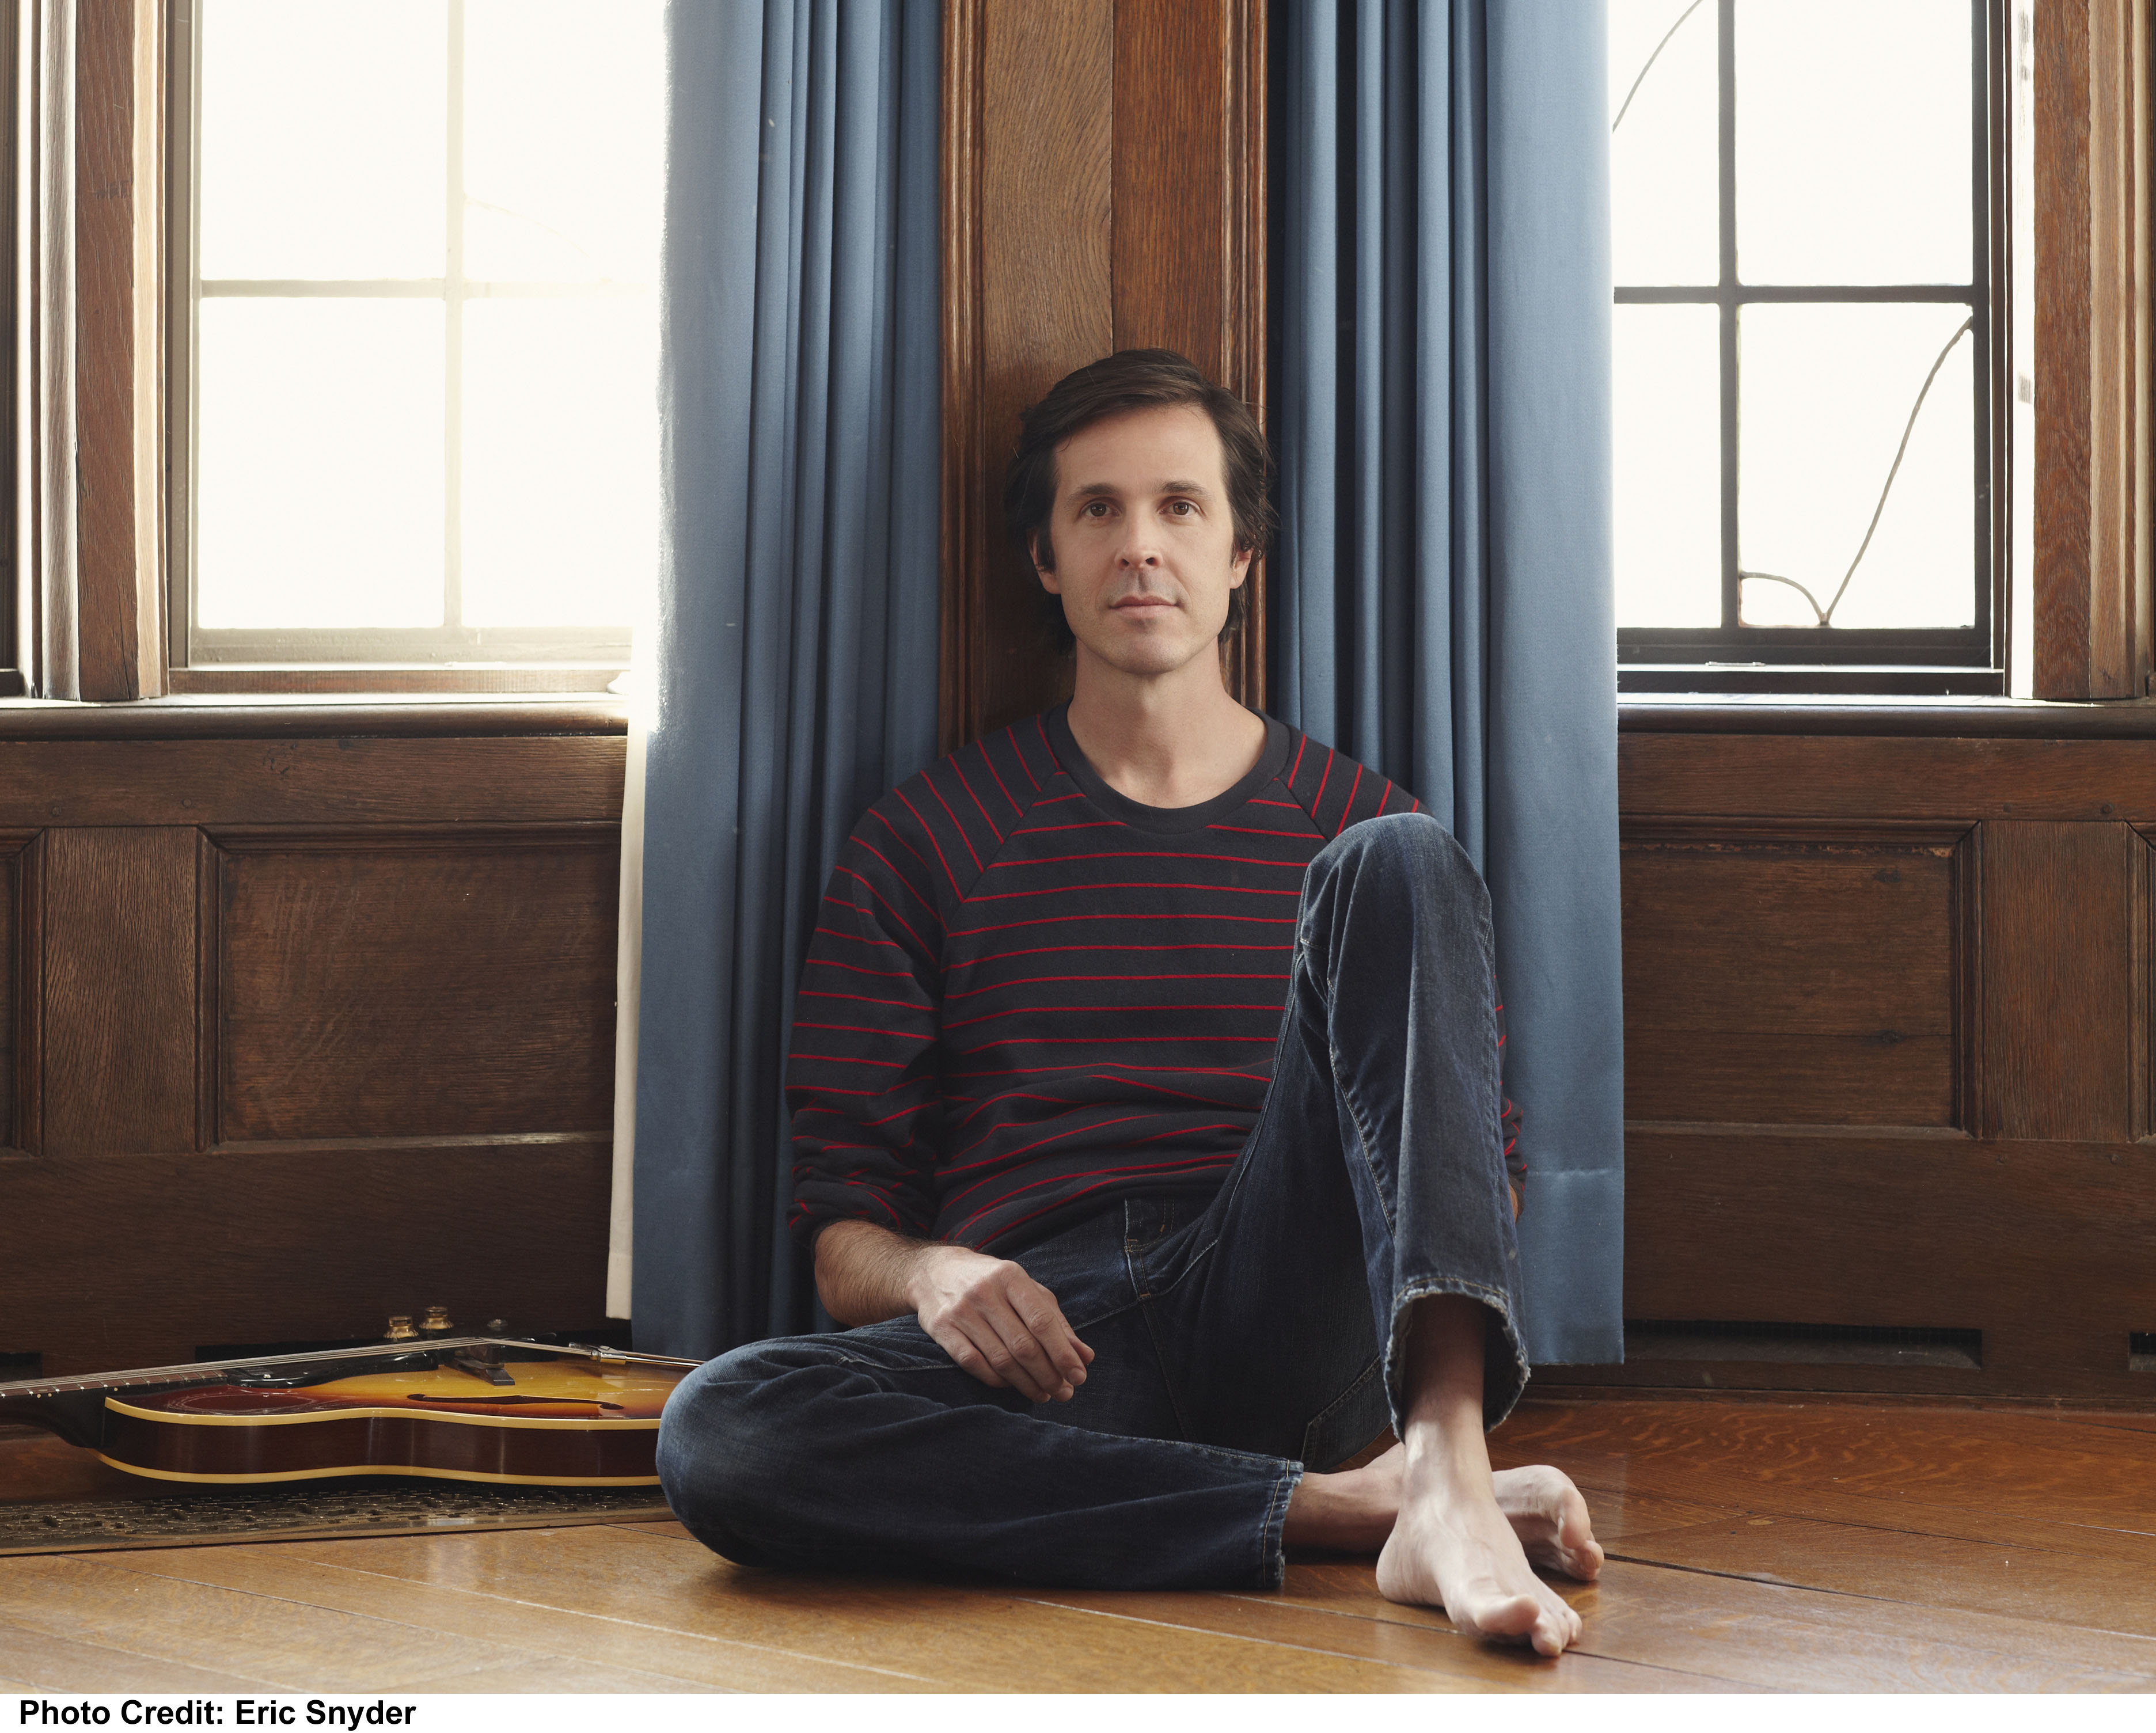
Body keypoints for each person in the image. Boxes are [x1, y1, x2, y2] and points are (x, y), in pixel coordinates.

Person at [658, 349, 1603, 1657]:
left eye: (1181, 506)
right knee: (721, 1427)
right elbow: (840, 1233)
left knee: (1402, 858)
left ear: (1241, 554)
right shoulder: (925, 840)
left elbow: (1474, 1183)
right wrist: (936, 1272)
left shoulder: (1358, 827)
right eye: (1097, 508)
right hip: (1059, 1347)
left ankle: (1447, 1463)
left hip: (1294, 1302)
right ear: (1045, 558)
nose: (1140, 545)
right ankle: (1353, 1510)